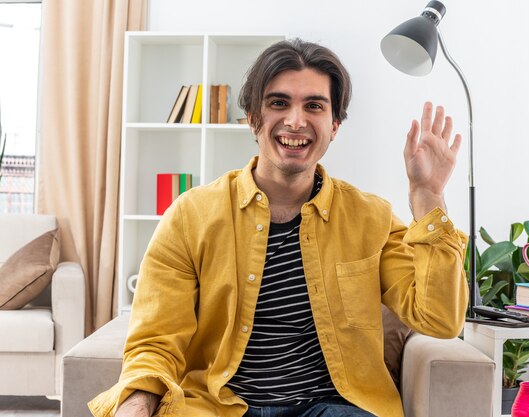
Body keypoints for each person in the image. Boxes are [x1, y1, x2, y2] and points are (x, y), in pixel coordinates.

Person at [89, 38, 468, 417]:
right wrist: (136, 406)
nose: (295, 121)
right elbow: (155, 341)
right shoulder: (190, 216)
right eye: (278, 102)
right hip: (218, 406)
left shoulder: (372, 218)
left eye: (314, 106)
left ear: (334, 125)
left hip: (331, 407)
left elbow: (439, 318)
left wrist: (427, 193)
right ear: (253, 117)